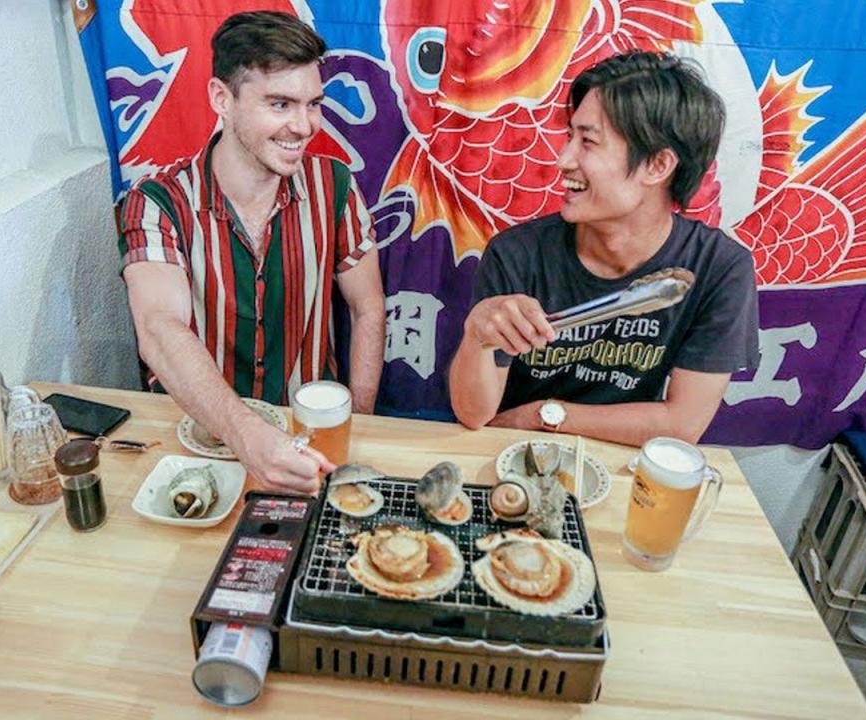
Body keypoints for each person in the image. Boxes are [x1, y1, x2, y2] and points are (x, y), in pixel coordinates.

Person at [119, 12, 385, 493]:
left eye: (313, 104)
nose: (304, 126)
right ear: (222, 98)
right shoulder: (157, 202)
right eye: (280, 104)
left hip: (310, 441)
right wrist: (245, 433)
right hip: (197, 442)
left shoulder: (335, 186)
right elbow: (159, 329)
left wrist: (356, 420)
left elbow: (368, 308)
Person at [449, 51, 760, 446]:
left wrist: (543, 415)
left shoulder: (718, 268)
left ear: (657, 166)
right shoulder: (517, 254)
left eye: (588, 142)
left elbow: (683, 424)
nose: (564, 160)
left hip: (619, 460)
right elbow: (474, 416)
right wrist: (478, 334)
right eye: (569, 137)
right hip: (513, 453)